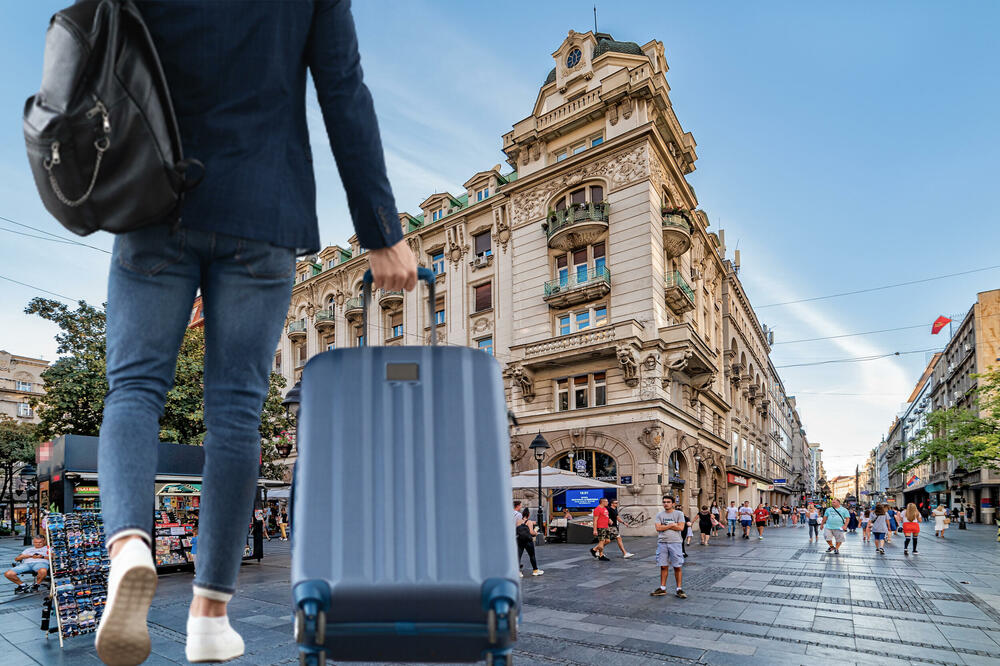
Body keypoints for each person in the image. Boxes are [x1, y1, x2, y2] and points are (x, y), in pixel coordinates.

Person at [92, 3, 420, 663]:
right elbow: (343, 92)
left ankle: (128, 546)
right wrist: (382, 231)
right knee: (237, 413)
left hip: (156, 190)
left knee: (133, 390)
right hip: (264, 210)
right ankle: (211, 613)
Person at [650, 496, 688, 599]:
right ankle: (662, 588)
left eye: (668, 502)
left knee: (677, 566)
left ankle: (679, 589)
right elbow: (658, 528)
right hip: (662, 543)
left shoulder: (679, 514)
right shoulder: (659, 515)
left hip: (675, 543)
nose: (666, 504)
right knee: (663, 566)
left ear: (673, 504)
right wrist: (671, 525)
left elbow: (681, 527)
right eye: (664, 502)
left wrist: (665, 526)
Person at [515, 508, 543, 578]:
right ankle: (535, 570)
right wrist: (536, 533)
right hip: (528, 541)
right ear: (528, 515)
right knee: (532, 556)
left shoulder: (518, 521)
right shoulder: (529, 522)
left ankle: (518, 572)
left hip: (520, 540)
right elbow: (531, 532)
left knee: (518, 556)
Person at [591, 497, 612, 561]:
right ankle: (601, 555)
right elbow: (595, 520)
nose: (608, 503)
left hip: (606, 526)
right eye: (606, 501)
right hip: (601, 527)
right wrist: (595, 530)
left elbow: (606, 516)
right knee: (601, 542)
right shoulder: (597, 509)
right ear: (602, 502)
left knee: (608, 541)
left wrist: (609, 520)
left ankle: (594, 550)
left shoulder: (605, 508)